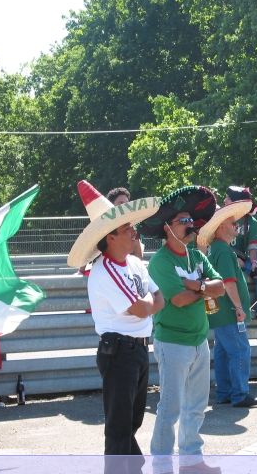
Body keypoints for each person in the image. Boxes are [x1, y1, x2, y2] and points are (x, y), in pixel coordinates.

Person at [67, 180, 163, 464]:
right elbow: (143, 307)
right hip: (120, 352)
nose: (134, 231)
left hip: (135, 350)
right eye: (126, 228)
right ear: (110, 237)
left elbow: (157, 299)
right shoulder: (105, 270)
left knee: (130, 422)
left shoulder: (132, 264)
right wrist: (149, 304)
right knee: (121, 427)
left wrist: (149, 304)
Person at [137, 186, 224, 474]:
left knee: (196, 406)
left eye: (191, 221)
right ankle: (161, 463)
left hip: (199, 340)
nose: (190, 226)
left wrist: (195, 285)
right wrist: (201, 288)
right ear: (167, 228)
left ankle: (191, 460)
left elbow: (220, 286)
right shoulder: (161, 262)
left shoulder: (196, 257)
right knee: (171, 407)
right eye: (183, 221)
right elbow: (179, 300)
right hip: (173, 341)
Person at [197, 200, 257, 408]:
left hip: (221, 311)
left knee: (224, 351)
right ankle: (240, 394)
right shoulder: (224, 251)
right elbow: (228, 282)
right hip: (228, 311)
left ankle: (226, 392)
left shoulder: (218, 249)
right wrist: (238, 307)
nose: (236, 225)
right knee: (239, 350)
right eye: (231, 223)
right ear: (220, 228)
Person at [223, 186, 257, 323]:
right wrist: (233, 259)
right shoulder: (220, 218)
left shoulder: (250, 221)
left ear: (236, 202)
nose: (224, 200)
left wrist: (253, 263)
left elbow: (253, 246)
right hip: (222, 257)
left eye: (228, 198)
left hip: (242, 258)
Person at [106, 187, 144, 259]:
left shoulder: (132, 226)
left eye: (127, 204)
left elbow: (139, 257)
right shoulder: (103, 227)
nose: (125, 207)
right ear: (111, 205)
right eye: (121, 203)